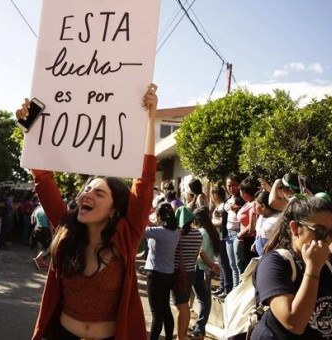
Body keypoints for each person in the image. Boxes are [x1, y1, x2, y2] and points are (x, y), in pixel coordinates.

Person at [23, 84, 158, 340]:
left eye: (99, 193)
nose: (87, 194)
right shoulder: (66, 229)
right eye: (87, 189)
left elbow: (146, 178)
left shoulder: (126, 237)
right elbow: (42, 175)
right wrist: (30, 123)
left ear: (114, 210)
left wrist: (151, 117)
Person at [252, 195, 332, 339]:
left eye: (331, 232)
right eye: (319, 231)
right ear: (295, 228)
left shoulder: (327, 266)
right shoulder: (274, 263)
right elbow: (294, 323)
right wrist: (313, 269)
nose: (327, 239)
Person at [144, 203, 180, 340]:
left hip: (155, 274)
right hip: (168, 274)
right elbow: (152, 226)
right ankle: (169, 337)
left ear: (159, 216)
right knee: (165, 309)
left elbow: (141, 230)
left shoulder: (158, 232)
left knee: (156, 314)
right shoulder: (176, 231)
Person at [172, 206, 202, 340]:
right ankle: (183, 334)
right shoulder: (198, 234)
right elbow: (196, 254)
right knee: (185, 304)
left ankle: (180, 337)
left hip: (178, 272)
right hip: (190, 271)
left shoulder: (176, 234)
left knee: (180, 306)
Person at [191, 207, 221, 340]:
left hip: (200, 269)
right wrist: (213, 265)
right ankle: (199, 328)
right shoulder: (210, 232)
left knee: (204, 302)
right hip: (203, 270)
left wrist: (211, 266)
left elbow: (201, 253)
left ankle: (199, 328)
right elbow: (203, 253)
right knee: (205, 302)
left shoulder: (201, 232)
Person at [211, 182, 232, 297]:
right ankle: (222, 286)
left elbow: (221, 222)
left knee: (224, 264)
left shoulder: (223, 206)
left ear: (216, 195)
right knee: (221, 263)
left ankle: (226, 288)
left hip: (223, 236)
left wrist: (212, 222)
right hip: (219, 237)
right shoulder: (219, 206)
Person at [224, 173, 245, 288]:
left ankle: (238, 292)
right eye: (229, 185)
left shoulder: (242, 198)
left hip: (238, 232)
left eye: (234, 185)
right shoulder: (229, 199)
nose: (231, 188)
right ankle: (234, 290)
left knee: (239, 265)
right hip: (229, 234)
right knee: (232, 265)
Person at [253, 191, 280, 256]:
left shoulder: (277, 218)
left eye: (256, 205)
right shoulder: (261, 217)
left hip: (272, 254)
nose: (254, 207)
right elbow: (259, 233)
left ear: (263, 206)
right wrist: (255, 243)